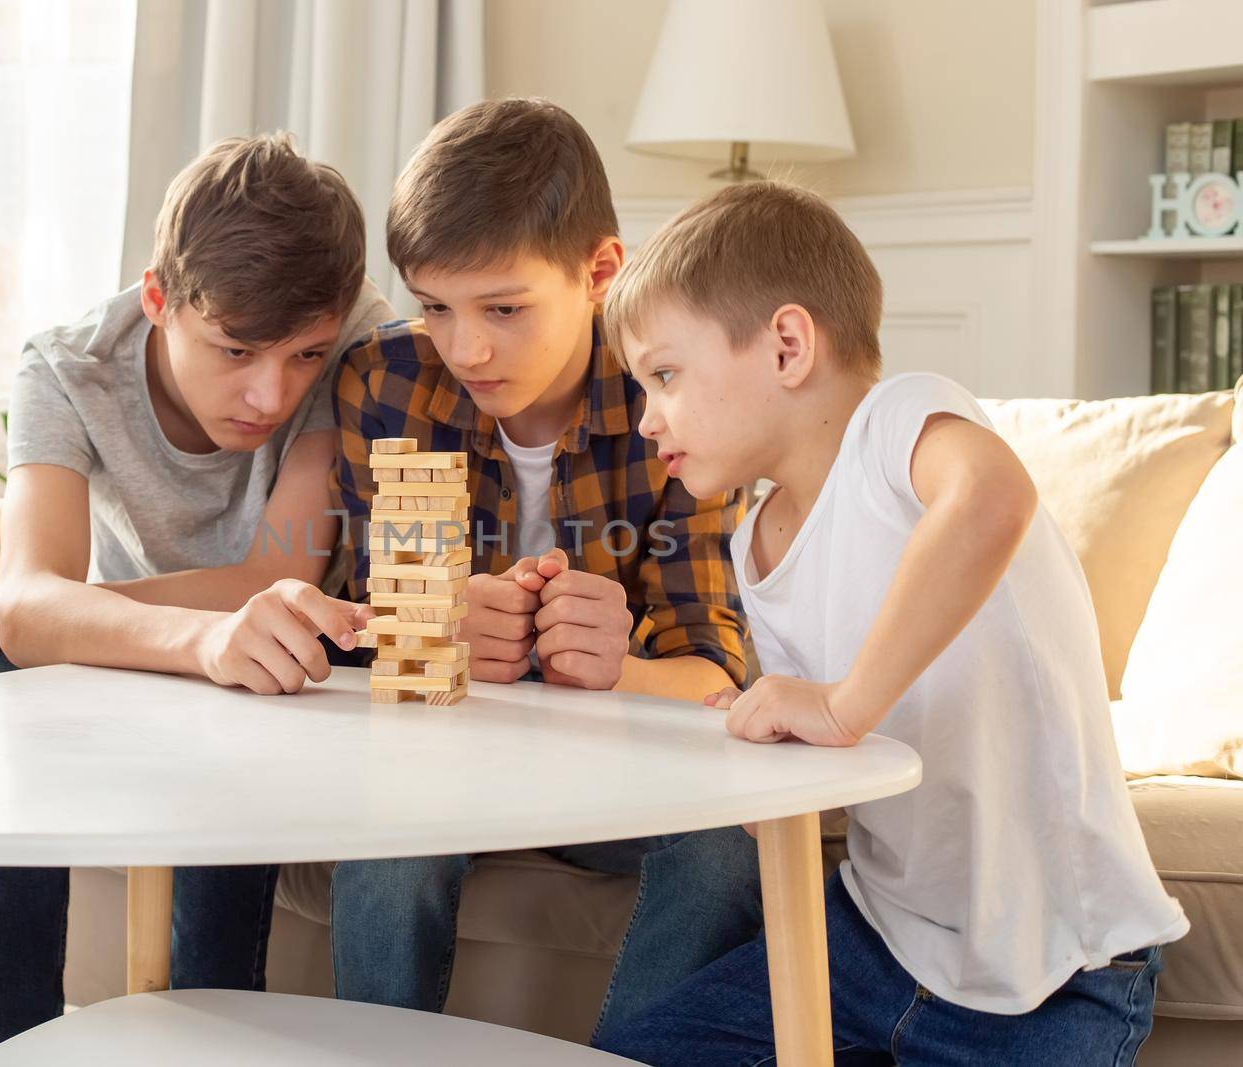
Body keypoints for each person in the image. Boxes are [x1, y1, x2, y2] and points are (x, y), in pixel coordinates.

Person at [595, 179, 1189, 1066]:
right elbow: (831, 759)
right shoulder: (755, 540)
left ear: (788, 345)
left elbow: (992, 499)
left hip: (1056, 972)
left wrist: (840, 707)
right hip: (872, 942)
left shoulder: (901, 423)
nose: (648, 419)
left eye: (666, 375)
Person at [0, 134, 392, 1059]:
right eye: (236, 349)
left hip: (310, 654)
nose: (271, 391)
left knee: (258, 668)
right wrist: (28, 610)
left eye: (301, 355)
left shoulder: (358, 341)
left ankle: (212, 1025)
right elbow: (33, 607)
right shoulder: (68, 367)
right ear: (158, 299)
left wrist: (0, 604)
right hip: (140, 652)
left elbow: (274, 582)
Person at [328, 98, 762, 1045]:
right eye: (436, 305)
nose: (466, 347)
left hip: (616, 771)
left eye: (505, 308)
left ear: (600, 271)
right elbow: (373, 641)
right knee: (386, 834)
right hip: (444, 761)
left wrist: (621, 672)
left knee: (730, 853)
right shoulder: (389, 380)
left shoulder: (672, 400)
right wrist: (434, 630)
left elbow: (716, 677)